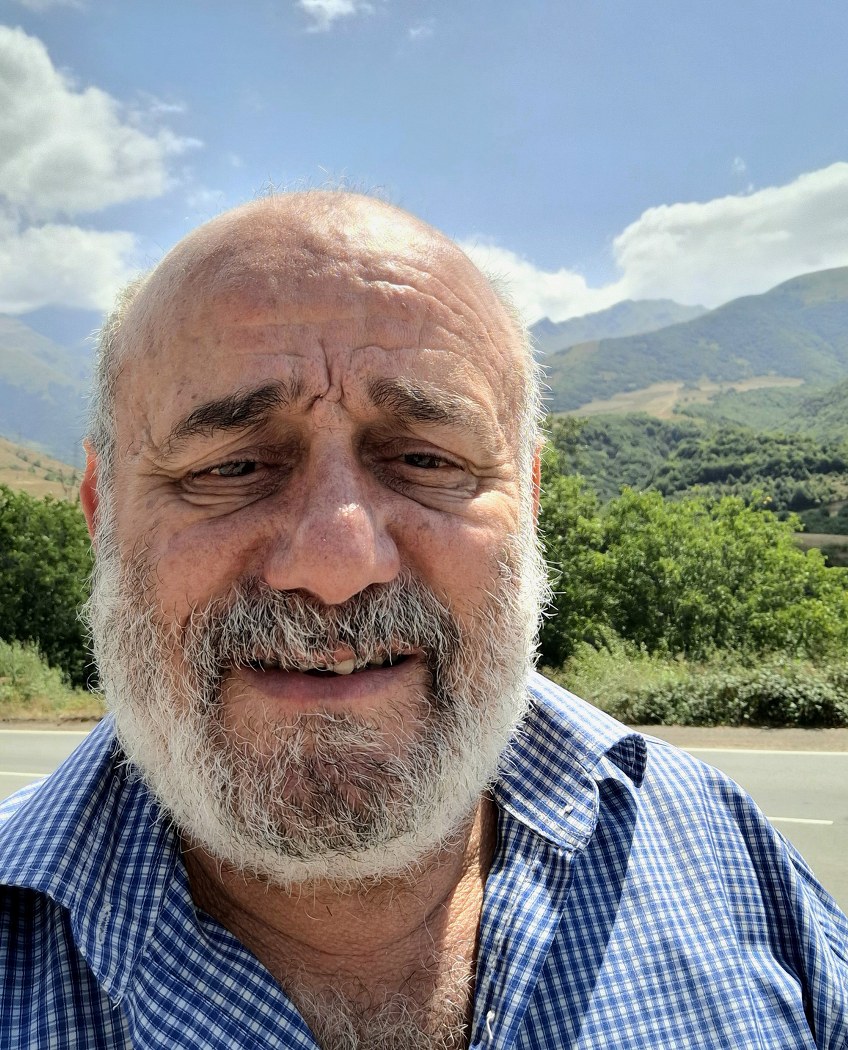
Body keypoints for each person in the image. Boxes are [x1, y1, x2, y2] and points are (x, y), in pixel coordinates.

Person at [0, 192, 846, 1050]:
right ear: (102, 513)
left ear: (528, 503)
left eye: (423, 458)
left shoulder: (728, 859)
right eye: (233, 465)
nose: (338, 565)